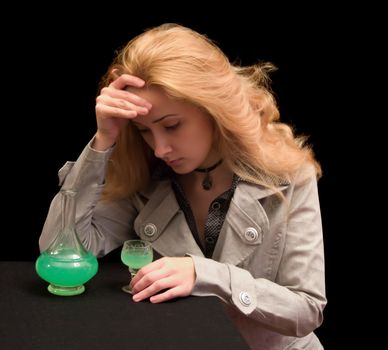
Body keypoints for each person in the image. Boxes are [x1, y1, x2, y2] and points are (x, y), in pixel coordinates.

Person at [39, 23, 326, 349]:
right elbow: (61, 250)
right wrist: (104, 140)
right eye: (145, 131)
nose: (160, 148)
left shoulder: (288, 177)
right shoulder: (148, 178)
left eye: (172, 126)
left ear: (213, 108)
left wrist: (206, 275)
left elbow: (307, 310)